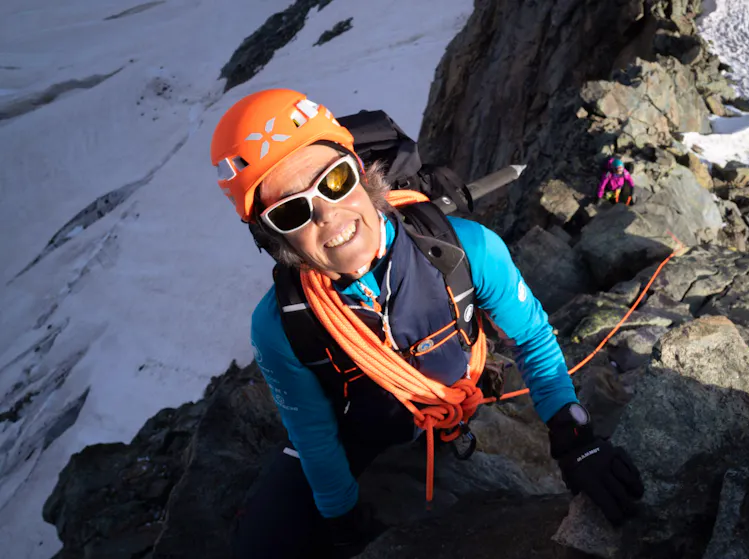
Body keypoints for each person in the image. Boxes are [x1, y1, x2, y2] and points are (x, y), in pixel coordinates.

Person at [210, 89, 644, 558]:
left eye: (334, 180)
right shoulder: (283, 325)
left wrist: (573, 435)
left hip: (449, 406)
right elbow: (314, 435)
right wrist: (343, 519)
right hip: (359, 432)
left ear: (360, 168)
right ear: (272, 237)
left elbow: (532, 336)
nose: (327, 214)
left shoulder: (466, 250)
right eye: (292, 211)